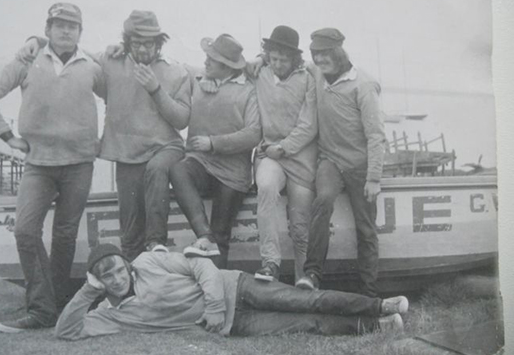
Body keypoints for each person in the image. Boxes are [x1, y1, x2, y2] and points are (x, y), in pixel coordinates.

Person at [0, 3, 106, 332]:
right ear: (47, 29)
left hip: (79, 165)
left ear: (80, 32)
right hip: (38, 164)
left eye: (72, 26)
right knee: (25, 231)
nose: (65, 31)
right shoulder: (27, 59)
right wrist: (6, 135)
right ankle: (41, 308)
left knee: (64, 236)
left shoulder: (92, 65)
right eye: (58, 25)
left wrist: (107, 139)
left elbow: (118, 96)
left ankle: (58, 305)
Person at [17, 10, 192, 261]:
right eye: (137, 42)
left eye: (149, 43)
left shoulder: (175, 70)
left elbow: (182, 120)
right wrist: (36, 40)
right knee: (130, 235)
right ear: (127, 41)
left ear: (159, 42)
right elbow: (68, 48)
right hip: (126, 155)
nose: (143, 49)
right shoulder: (109, 62)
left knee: (156, 178)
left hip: (163, 149)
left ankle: (157, 246)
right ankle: (133, 290)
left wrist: (155, 89)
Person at [55, 243, 409, 340]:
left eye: (118, 269)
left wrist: (212, 305)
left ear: (126, 265)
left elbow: (200, 264)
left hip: (234, 286)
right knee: (308, 324)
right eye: (107, 277)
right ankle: (379, 326)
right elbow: (66, 331)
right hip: (233, 325)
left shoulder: (148, 262)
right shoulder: (110, 315)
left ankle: (379, 305)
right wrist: (88, 291)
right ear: (99, 280)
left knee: (309, 298)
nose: (117, 278)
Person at [294, 28, 387, 297]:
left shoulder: (364, 85)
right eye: (316, 54)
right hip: (330, 161)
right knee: (322, 201)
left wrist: (374, 178)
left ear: (339, 53)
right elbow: (300, 63)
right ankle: (312, 274)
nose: (320, 60)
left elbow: (376, 135)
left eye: (325, 54)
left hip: (360, 166)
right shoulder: (318, 73)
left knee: (366, 227)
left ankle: (368, 291)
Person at [169, 34, 261, 269]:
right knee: (178, 171)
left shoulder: (249, 91)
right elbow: (172, 65)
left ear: (227, 67)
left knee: (222, 234)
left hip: (233, 174)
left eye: (212, 59)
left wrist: (214, 143)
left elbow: (254, 134)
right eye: (207, 58)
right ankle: (204, 236)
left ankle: (217, 294)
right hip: (200, 164)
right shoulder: (198, 77)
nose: (206, 62)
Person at [251, 25, 317, 282]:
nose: (277, 64)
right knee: (265, 185)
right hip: (271, 155)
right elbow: (222, 66)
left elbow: (309, 124)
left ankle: (305, 280)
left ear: (295, 59)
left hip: (300, 159)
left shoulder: (308, 78)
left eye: (283, 59)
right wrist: (257, 60)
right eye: (273, 58)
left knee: (300, 226)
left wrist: (285, 147)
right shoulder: (260, 73)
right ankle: (270, 262)